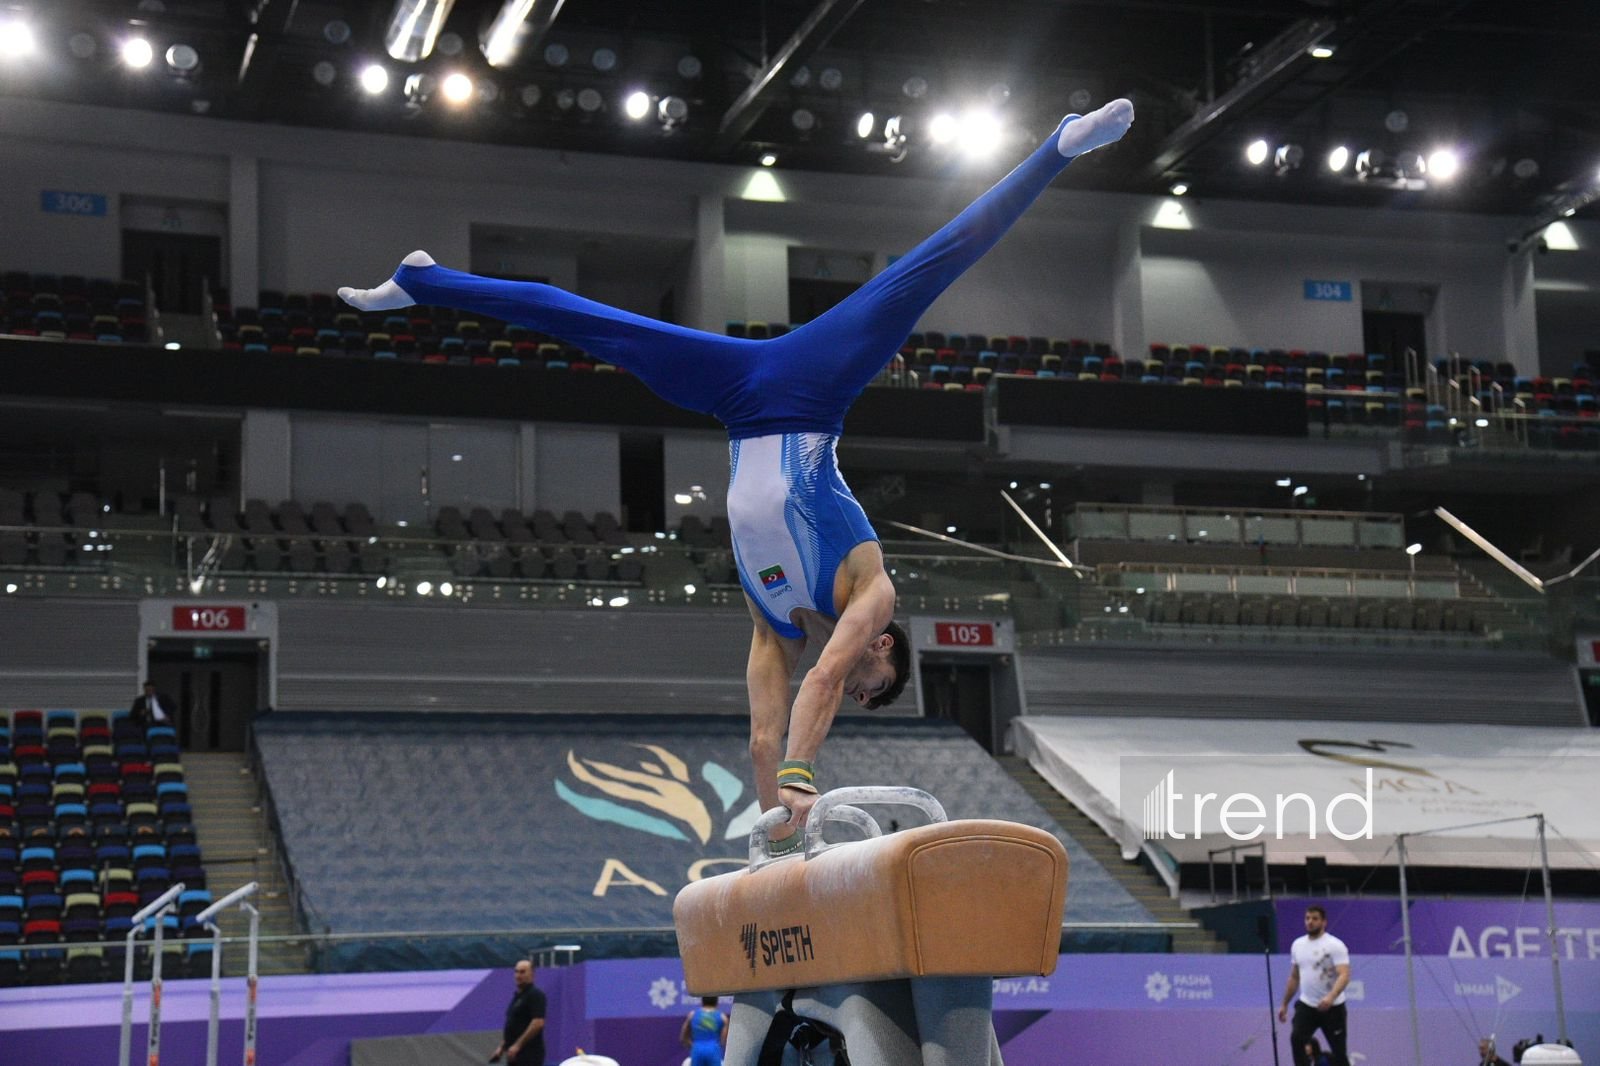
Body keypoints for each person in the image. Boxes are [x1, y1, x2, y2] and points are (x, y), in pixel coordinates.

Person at [340, 99, 1136, 850]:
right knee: (929, 268)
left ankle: (424, 281)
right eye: (881, 680)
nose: (866, 686)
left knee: (586, 325)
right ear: (886, 645)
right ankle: (1059, 146)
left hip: (736, 399)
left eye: (869, 700)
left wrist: (775, 828)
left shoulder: (773, 624)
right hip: (813, 386)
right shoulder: (874, 594)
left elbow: (763, 730)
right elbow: (824, 679)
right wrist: (802, 779)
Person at [1279, 904, 1351, 1066]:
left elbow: (1344, 975)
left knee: (1339, 1054)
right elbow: (1294, 977)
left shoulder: (1335, 945)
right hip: (1308, 1005)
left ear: (1324, 922)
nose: (1310, 922)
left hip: (1332, 1008)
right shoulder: (1298, 945)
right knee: (1296, 1038)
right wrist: (1284, 1004)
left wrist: (1331, 997)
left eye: (1315, 919)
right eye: (1307, 918)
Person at [490, 959, 545, 1066]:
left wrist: (518, 1045)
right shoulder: (518, 997)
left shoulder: (535, 995)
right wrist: (502, 1048)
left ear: (532, 974)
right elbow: (513, 1027)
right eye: (516, 971)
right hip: (514, 1055)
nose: (518, 975)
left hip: (529, 1055)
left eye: (523, 972)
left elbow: (538, 1023)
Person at [680, 995, 728, 1066]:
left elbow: (683, 1037)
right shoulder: (722, 1017)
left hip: (697, 1049)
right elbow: (724, 1040)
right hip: (713, 1050)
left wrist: (693, 1046)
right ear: (717, 1002)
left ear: (702, 1001)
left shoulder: (692, 1015)